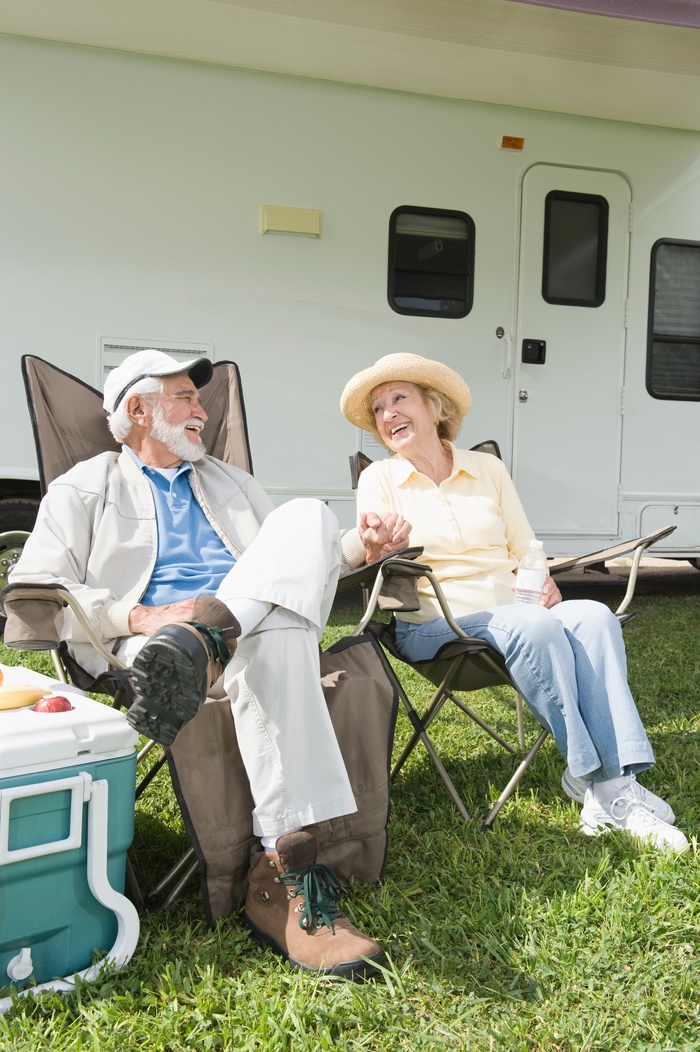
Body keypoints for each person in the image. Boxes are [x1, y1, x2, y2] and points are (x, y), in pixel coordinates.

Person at [8, 349, 411, 980]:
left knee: (306, 516)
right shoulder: (84, 487)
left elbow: (297, 557)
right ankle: (285, 873)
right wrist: (141, 617)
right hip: (151, 646)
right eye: (184, 398)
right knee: (276, 636)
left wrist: (364, 545)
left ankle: (211, 639)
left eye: (199, 398)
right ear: (137, 410)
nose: (202, 410)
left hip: (224, 641)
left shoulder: (231, 481)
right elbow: (35, 591)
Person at [340, 352, 689, 853]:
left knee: (592, 616)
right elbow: (376, 556)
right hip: (440, 628)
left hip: (520, 611)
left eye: (399, 399)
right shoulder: (381, 480)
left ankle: (605, 785)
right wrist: (381, 546)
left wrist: (542, 580)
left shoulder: (487, 469)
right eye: (378, 409)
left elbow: (525, 547)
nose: (388, 414)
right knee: (536, 627)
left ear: (434, 407)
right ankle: (603, 783)